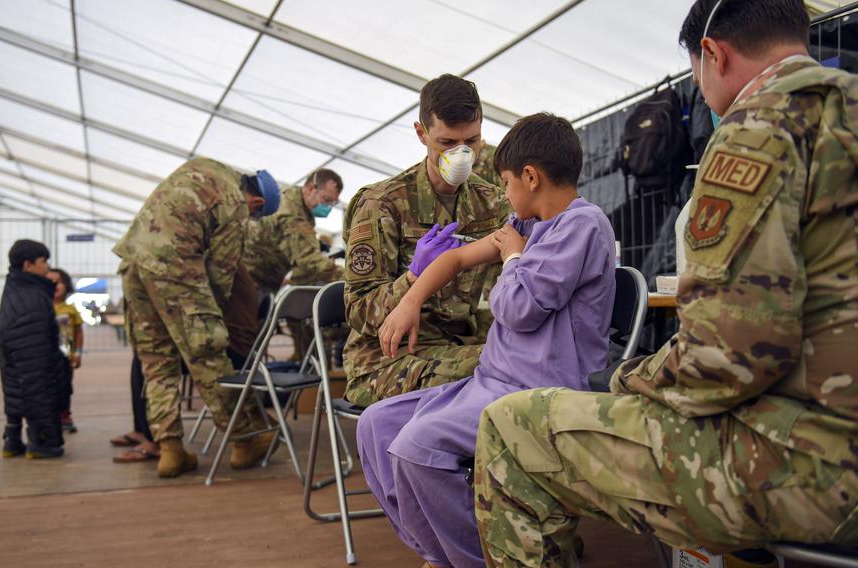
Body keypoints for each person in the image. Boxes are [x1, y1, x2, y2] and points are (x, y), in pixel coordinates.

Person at [473, 2, 858, 566]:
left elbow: (724, 362)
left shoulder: (758, 130)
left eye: (693, 75)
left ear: (712, 55)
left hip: (827, 467)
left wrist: (631, 377)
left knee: (511, 427)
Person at [358, 113, 615, 568]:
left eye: (506, 181)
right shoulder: (529, 223)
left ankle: (483, 559)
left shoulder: (582, 226)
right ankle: (441, 551)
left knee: (418, 449)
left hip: (535, 391)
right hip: (492, 379)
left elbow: (517, 307)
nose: (505, 194)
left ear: (530, 178)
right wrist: (410, 297)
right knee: (377, 425)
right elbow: (457, 258)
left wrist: (513, 256)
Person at [343, 74, 510, 407]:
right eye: (447, 143)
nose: (462, 154)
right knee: (502, 368)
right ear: (422, 133)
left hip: (461, 347)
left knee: (519, 362)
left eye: (472, 141)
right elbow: (359, 312)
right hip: (386, 359)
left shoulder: (493, 203)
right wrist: (412, 278)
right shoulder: (383, 203)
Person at [113, 157, 281, 478]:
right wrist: (207, 318)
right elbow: (221, 274)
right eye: (255, 216)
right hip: (174, 267)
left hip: (134, 262)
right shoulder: (234, 202)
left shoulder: (203, 165)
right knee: (207, 354)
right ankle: (245, 439)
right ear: (256, 201)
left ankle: (170, 450)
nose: (250, 220)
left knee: (156, 364)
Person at [0, 239, 67, 459]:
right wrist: (47, 436)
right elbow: (36, 372)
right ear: (28, 265)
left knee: (14, 383)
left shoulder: (16, 290)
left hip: (18, 378)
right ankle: (39, 442)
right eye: (43, 261)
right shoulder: (32, 298)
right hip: (38, 402)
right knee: (34, 381)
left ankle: (13, 439)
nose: (47, 266)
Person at [245, 168, 344, 295]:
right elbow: (309, 259)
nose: (328, 206)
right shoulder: (292, 212)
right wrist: (350, 278)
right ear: (310, 189)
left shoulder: (299, 203)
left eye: (333, 202)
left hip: (263, 279)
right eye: (326, 199)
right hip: (252, 279)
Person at [47, 268, 83, 434]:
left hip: (64, 356)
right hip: (44, 356)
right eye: (50, 281)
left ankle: (64, 416)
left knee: (64, 387)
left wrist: (77, 353)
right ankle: (48, 417)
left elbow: (79, 332)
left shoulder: (71, 309)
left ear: (66, 285)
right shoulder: (41, 308)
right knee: (46, 388)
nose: (55, 285)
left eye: (59, 281)